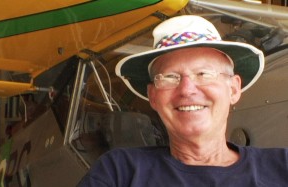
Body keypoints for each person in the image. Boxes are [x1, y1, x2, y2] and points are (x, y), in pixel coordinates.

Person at [77, 15, 288, 186]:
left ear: (233, 89)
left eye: (204, 74)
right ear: (153, 96)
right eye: (170, 77)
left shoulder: (282, 167)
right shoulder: (119, 173)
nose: (187, 89)